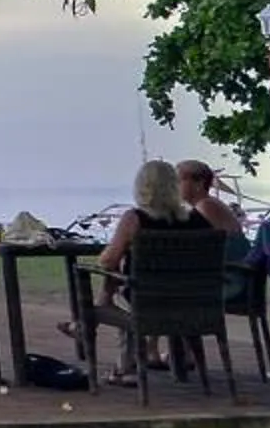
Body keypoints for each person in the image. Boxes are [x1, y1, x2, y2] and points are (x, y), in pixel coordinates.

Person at [86, 158, 219, 384]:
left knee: (117, 295)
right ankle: (128, 365)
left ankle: (123, 367)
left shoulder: (134, 219)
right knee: (127, 290)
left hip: (146, 299)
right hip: (192, 300)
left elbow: (108, 261)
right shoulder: (197, 220)